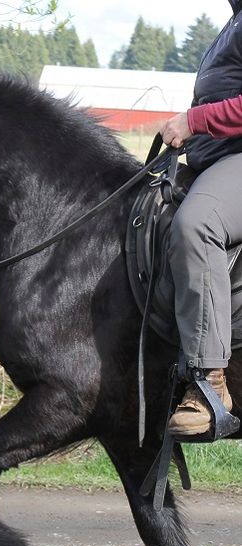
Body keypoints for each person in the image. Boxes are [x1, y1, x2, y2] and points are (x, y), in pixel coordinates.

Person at [159, 0, 242, 436]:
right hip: (213, 160)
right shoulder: (233, 22)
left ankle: (210, 384)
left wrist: (195, 119)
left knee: (198, 224)